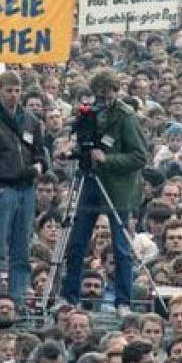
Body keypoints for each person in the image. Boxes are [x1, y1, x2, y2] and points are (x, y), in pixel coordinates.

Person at [59, 69, 148, 312]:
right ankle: (69, 296)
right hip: (91, 183)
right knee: (77, 241)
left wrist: (107, 159)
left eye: (107, 95)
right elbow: (84, 141)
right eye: (98, 95)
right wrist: (72, 150)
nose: (103, 100)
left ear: (116, 92)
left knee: (120, 247)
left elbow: (140, 156)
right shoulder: (90, 113)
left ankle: (123, 300)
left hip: (118, 189)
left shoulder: (126, 117)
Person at [0, 71, 49, 309]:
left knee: (22, 250)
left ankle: (18, 301)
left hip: (26, 190)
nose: (13, 96)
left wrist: (39, 167)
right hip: (4, 190)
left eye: (17, 91)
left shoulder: (31, 121)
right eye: (8, 91)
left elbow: (40, 153)